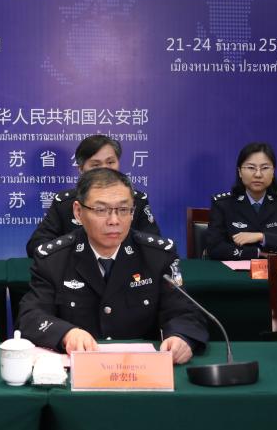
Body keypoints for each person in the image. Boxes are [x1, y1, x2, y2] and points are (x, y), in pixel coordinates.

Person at [17, 168, 207, 364]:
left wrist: (181, 337)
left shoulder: (157, 256)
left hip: (142, 370)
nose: (114, 221)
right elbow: (30, 316)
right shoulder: (54, 260)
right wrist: (67, 334)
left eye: (123, 210)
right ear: (78, 212)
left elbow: (184, 312)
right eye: (101, 210)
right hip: (79, 369)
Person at [26, 135, 160, 257]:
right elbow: (37, 246)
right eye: (96, 165)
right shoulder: (64, 203)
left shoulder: (136, 200)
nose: (105, 169)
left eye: (110, 162)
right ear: (81, 169)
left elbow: (154, 245)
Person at [203, 142, 277, 260]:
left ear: (273, 172)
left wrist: (262, 237)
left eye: (265, 168)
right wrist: (256, 253)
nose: (258, 174)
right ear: (240, 172)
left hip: (276, 270)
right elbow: (214, 247)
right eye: (251, 168)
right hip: (234, 270)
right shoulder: (223, 204)